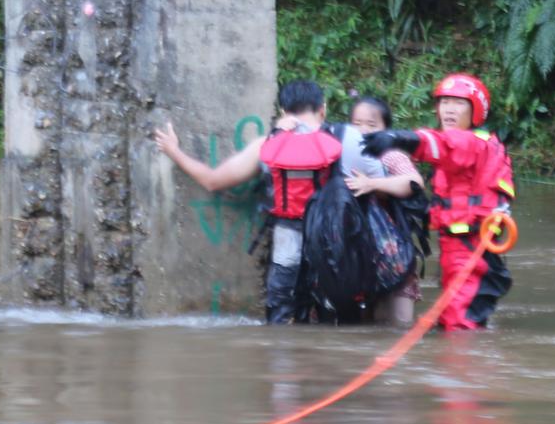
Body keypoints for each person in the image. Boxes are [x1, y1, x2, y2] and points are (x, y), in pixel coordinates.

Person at [153, 79, 388, 324]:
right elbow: (382, 188)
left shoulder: (267, 145)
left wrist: (174, 151)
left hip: (288, 245)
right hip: (336, 248)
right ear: (323, 109)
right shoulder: (347, 138)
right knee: (341, 320)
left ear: (283, 112)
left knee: (282, 323)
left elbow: (212, 181)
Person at [363, 73, 516, 331]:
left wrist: (399, 139)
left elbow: (441, 145)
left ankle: (461, 369)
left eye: (458, 103)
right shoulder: (466, 149)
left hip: (471, 249)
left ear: (475, 111)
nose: (449, 110)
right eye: (444, 103)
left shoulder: (474, 144)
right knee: (451, 321)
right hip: (457, 247)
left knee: (459, 324)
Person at [344, 94, 426, 325]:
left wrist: (372, 184)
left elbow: (414, 182)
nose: (363, 130)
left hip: (392, 255)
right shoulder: (339, 153)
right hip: (354, 255)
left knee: (399, 324)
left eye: (372, 125)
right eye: (357, 124)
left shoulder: (390, 155)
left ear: (386, 130)